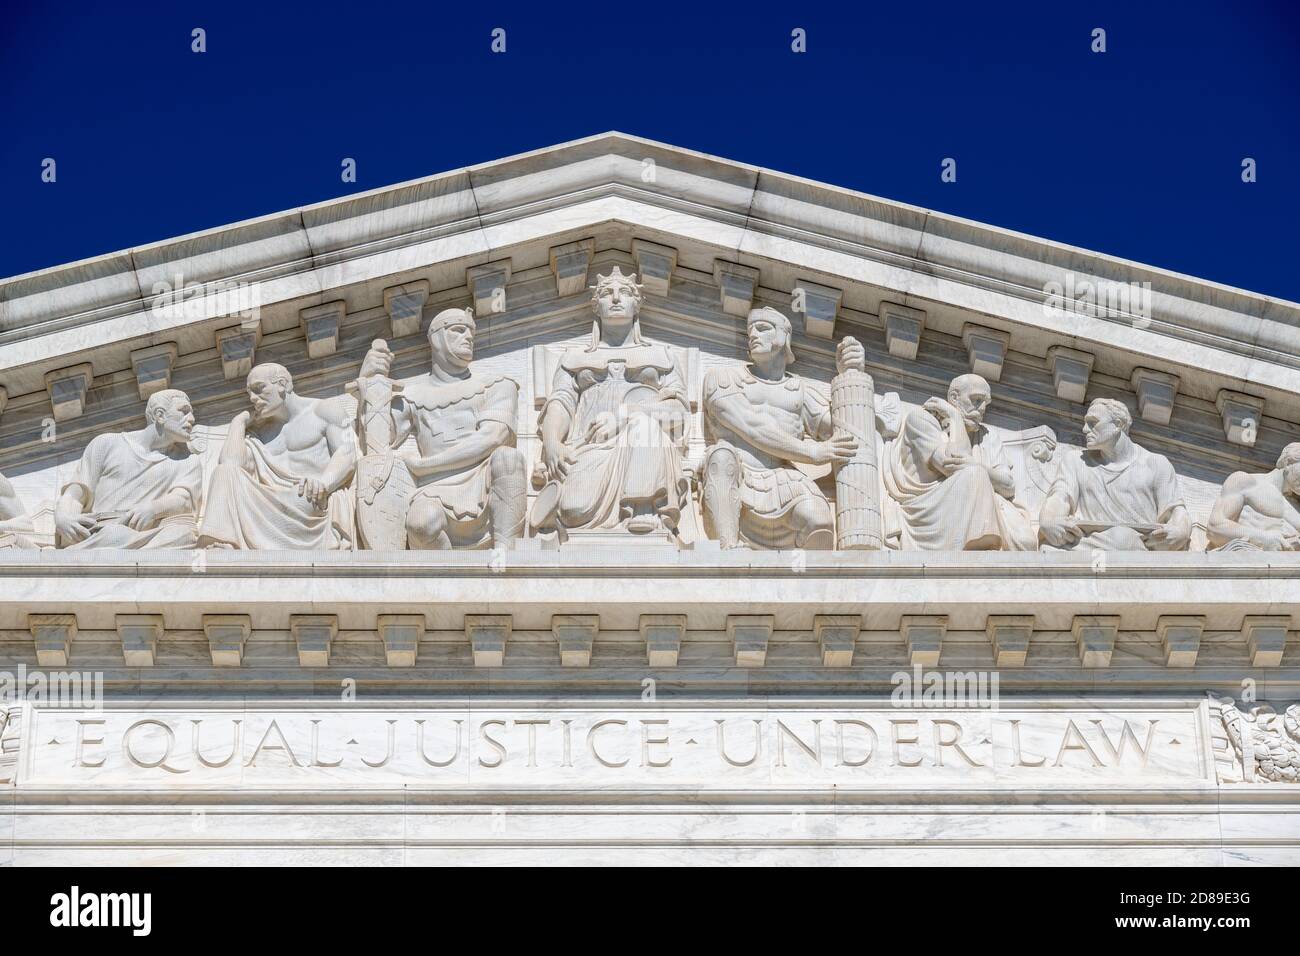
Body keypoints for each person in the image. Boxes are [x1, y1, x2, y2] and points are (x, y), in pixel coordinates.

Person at [700, 306, 856, 550]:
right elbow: (751, 425)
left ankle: (812, 583)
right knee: (721, 456)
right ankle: (728, 551)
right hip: (737, 479)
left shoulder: (799, 391)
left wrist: (851, 374)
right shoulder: (722, 378)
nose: (752, 335)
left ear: (784, 336)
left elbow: (845, 432)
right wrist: (812, 453)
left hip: (784, 480)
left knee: (820, 521)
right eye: (750, 330)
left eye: (762, 329)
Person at [198, 364, 356, 550]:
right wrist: (238, 423)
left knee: (303, 498)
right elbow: (230, 464)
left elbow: (347, 453)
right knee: (223, 471)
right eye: (250, 393)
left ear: (282, 384)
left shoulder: (324, 409)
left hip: (307, 501)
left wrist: (324, 483)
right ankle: (219, 544)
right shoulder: (259, 431)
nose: (252, 398)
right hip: (265, 505)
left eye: (259, 389)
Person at [883, 373, 1035, 551]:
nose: (982, 408)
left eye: (986, 403)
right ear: (954, 398)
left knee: (1027, 542)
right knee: (975, 474)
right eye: (976, 400)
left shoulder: (988, 436)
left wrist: (977, 466)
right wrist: (955, 417)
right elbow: (951, 463)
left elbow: (1008, 485)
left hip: (981, 502)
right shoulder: (921, 419)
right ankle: (979, 546)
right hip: (929, 510)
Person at [54, 389, 202, 550]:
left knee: (184, 534)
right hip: (103, 529)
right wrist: (63, 518)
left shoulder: (188, 460)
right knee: (114, 534)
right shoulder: (107, 443)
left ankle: (118, 556)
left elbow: (183, 500)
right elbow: (75, 496)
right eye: (184, 412)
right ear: (160, 415)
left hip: (147, 534)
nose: (192, 419)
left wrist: (152, 509)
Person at [1039, 397, 1190, 551]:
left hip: (1140, 548)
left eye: (1093, 422)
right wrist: (1049, 520)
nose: (1085, 429)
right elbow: (1060, 498)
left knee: (1124, 539)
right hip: (1087, 546)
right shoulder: (1075, 461)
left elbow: (1176, 512)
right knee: (1048, 549)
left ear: (1118, 425)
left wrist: (1181, 531)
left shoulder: (1156, 464)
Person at [1207, 442, 1300, 551]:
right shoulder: (1245, 481)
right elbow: (1214, 527)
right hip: (1243, 561)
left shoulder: (1297, 506)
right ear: (1288, 462)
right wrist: (1262, 537)